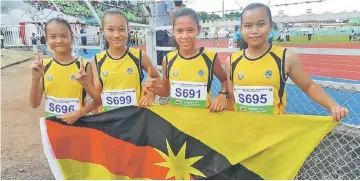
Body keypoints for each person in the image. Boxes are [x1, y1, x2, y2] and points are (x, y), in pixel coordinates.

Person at [224, 3, 348, 121]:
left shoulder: (286, 57)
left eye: (261, 24)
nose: (254, 30)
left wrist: (333, 106)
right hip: (243, 131)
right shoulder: (232, 61)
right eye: (248, 26)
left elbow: (308, 85)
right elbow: (232, 97)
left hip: (274, 133)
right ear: (241, 29)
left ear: (270, 26)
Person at [145, 8, 229, 112]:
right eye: (180, 31)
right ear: (173, 32)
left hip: (202, 120)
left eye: (190, 30)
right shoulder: (168, 59)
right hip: (177, 122)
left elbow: (226, 80)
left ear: (198, 30)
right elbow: (166, 91)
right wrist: (154, 89)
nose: (185, 36)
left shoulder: (210, 58)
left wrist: (223, 94)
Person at [29, 17, 101, 124]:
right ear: (47, 40)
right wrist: (35, 79)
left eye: (63, 36)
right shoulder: (43, 66)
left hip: (79, 127)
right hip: (53, 128)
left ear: (71, 37)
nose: (59, 41)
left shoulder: (84, 67)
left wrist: (80, 112)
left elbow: (98, 101)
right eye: (53, 37)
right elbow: (34, 104)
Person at [90, 9, 160, 112]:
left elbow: (157, 77)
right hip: (107, 121)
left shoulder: (139, 56)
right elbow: (96, 96)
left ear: (128, 30)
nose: (116, 35)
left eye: (122, 29)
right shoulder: (96, 60)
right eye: (110, 29)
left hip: (134, 119)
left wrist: (151, 93)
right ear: (103, 30)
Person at [154, 0, 176, 65]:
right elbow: (171, 13)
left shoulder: (157, 2)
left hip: (157, 28)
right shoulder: (169, 1)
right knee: (168, 52)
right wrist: (173, 28)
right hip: (165, 28)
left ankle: (160, 71)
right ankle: (167, 70)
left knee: (159, 52)